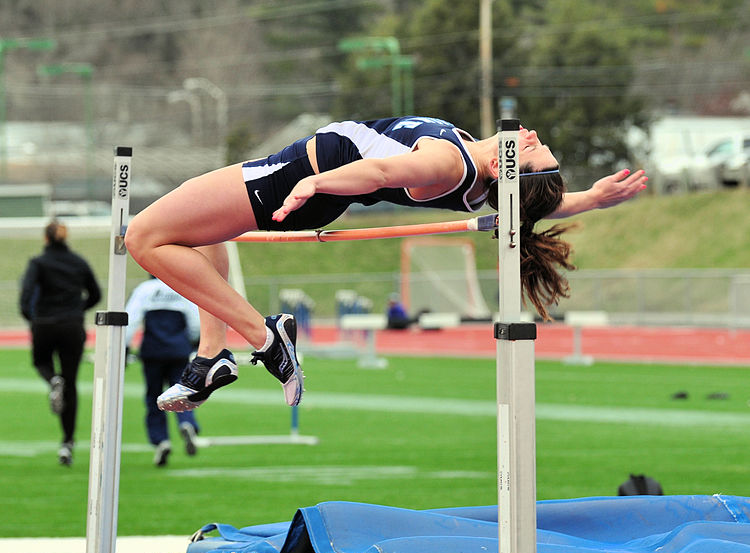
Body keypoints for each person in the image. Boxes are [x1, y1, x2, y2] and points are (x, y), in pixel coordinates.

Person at [125, 116, 647, 412]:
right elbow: (524, 198)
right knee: (191, 236)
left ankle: (264, 338)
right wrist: (588, 199)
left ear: (504, 164)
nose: (533, 136)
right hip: (296, 170)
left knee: (144, 238)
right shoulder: (480, 173)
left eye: (534, 148)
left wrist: (315, 183)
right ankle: (212, 356)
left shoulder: (447, 163)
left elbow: (375, 171)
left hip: (296, 176)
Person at [19, 220, 101, 466]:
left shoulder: (38, 263)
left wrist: (33, 318)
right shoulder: (78, 262)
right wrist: (77, 310)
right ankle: (67, 443)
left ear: (46, 239)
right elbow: (95, 293)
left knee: (42, 362)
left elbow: (25, 296)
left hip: (45, 323)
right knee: (71, 384)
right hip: (72, 326)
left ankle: (52, 379)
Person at [125, 275, 202, 467]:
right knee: (183, 392)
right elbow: (195, 321)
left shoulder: (145, 289)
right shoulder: (182, 285)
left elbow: (131, 319)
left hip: (153, 351)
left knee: (154, 398)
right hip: (178, 350)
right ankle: (186, 423)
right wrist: (194, 342)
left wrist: (124, 347)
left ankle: (161, 441)